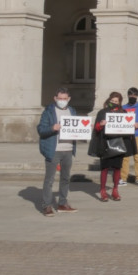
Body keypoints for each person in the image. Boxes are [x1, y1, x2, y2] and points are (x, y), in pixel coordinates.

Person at [37, 87, 79, 216]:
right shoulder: (49, 111)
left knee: (65, 178)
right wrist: (52, 128)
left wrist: (85, 127)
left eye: (64, 99)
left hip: (68, 149)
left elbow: (76, 127)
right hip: (54, 149)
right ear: (55, 98)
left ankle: (62, 203)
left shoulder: (72, 111)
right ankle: (47, 206)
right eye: (60, 98)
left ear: (69, 99)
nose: (62, 101)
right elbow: (41, 129)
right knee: (49, 179)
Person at [89, 92, 137, 202]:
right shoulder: (102, 112)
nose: (114, 103)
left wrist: (132, 126)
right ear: (109, 100)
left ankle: (115, 190)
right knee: (104, 168)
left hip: (119, 144)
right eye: (112, 101)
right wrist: (100, 125)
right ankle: (102, 191)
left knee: (117, 168)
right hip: (105, 143)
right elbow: (96, 129)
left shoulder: (124, 112)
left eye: (116, 101)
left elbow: (128, 130)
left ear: (119, 102)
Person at [120, 87, 138, 187]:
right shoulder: (123, 108)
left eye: (134, 95)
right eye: (130, 95)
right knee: (125, 157)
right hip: (126, 136)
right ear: (127, 96)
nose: (132, 97)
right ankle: (123, 178)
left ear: (137, 96)